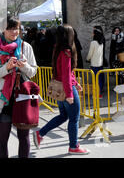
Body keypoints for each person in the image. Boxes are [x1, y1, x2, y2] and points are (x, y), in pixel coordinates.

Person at [33, 25, 89, 155]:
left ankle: (40, 133)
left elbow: (66, 73)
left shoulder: (57, 49)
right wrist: (70, 93)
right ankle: (74, 146)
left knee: (63, 116)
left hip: (59, 87)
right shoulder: (66, 52)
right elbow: (65, 74)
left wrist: (75, 84)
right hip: (65, 89)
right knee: (74, 118)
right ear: (69, 36)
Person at [0, 17, 37, 158]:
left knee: (24, 137)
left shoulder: (26, 47)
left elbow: (33, 72)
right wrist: (6, 68)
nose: (15, 32)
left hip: (23, 98)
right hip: (4, 100)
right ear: (3, 30)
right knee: (3, 138)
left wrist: (24, 66)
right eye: (11, 28)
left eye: (17, 28)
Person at [87, 28, 105, 99]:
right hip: (100, 63)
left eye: (93, 33)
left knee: (95, 80)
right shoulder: (101, 43)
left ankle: (96, 94)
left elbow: (90, 53)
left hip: (94, 64)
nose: (92, 34)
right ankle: (99, 94)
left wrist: (87, 59)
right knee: (100, 79)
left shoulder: (93, 42)